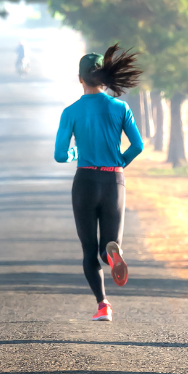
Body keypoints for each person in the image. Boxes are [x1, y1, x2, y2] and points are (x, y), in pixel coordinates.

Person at [54, 45, 144, 322]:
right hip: (113, 180)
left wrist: (76, 153)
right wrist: (118, 162)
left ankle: (103, 305)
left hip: (85, 181)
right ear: (104, 78)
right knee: (109, 244)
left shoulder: (71, 111)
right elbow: (138, 146)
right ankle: (113, 253)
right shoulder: (121, 108)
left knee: (88, 249)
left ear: (80, 79)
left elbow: (59, 155)